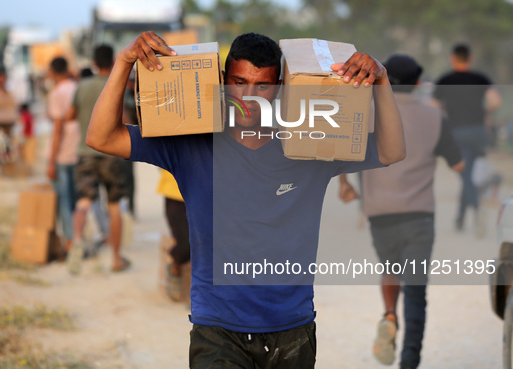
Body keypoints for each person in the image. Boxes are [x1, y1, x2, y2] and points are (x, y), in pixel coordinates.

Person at [86, 31, 405, 368]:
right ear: (223, 81)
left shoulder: (310, 142)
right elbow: (101, 137)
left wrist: (381, 81)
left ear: (281, 87)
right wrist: (124, 62)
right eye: (239, 82)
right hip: (217, 329)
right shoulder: (191, 142)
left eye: (263, 86)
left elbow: (392, 151)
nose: (249, 97)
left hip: (291, 327)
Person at [339, 54, 464, 369]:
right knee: (416, 289)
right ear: (419, 83)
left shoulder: (366, 112)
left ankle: (389, 314)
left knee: (391, 268)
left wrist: (344, 183)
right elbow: (459, 164)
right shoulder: (435, 117)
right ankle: (410, 360)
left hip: (380, 212)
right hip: (419, 214)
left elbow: (340, 147)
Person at [67, 45, 129, 275]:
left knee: (83, 200)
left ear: (93, 61)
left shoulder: (81, 86)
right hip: (110, 154)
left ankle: (76, 240)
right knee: (113, 205)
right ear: (112, 61)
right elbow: (124, 118)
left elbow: (70, 116)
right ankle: (116, 257)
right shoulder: (115, 84)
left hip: (85, 151)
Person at [433, 43, 501, 235]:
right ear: (470, 58)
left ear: (452, 58)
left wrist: (446, 112)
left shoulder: (445, 80)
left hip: (457, 133)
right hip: (479, 133)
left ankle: (477, 211)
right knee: (468, 174)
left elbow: (433, 106)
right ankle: (460, 218)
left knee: (466, 176)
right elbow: (496, 101)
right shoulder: (480, 78)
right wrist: (484, 112)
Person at [46, 57, 81, 252]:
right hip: (78, 150)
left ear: (53, 72)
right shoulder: (76, 88)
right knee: (75, 200)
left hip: (62, 154)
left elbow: (58, 128)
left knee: (63, 201)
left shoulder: (57, 93)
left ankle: (70, 242)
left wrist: (51, 161)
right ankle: (78, 236)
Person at [157, 169, 190, 302]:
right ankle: (174, 265)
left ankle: (202, 295)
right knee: (186, 244)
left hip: (210, 190)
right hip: (176, 193)